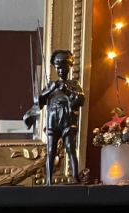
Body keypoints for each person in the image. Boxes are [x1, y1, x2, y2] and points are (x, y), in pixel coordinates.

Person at [24, 49, 84, 184]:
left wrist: (67, 91)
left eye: (64, 68)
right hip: (53, 120)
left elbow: (80, 101)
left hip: (67, 120)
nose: (61, 71)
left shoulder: (74, 85)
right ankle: (48, 181)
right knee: (50, 150)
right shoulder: (51, 85)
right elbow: (38, 101)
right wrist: (51, 89)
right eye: (59, 68)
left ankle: (75, 177)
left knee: (70, 148)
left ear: (69, 68)